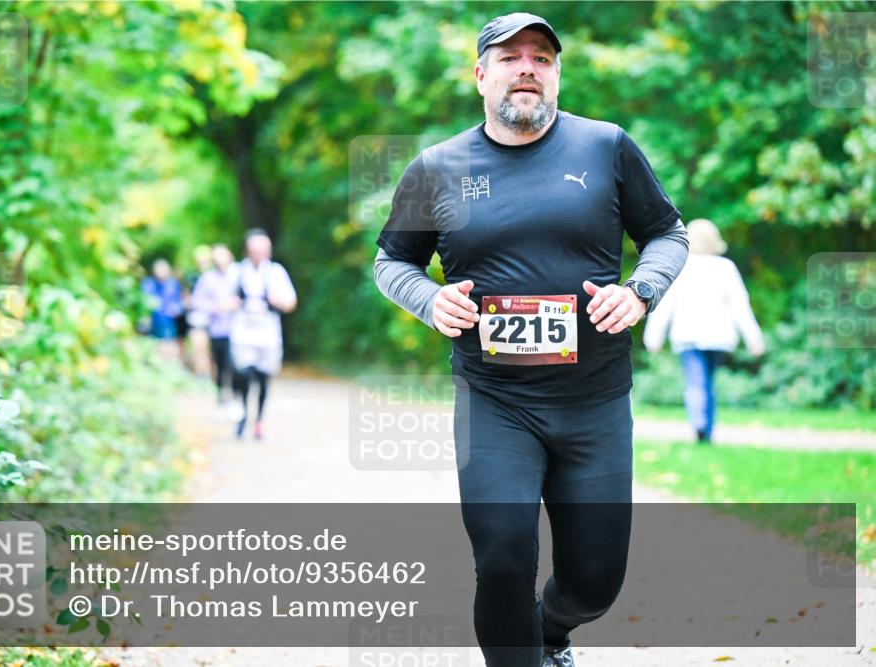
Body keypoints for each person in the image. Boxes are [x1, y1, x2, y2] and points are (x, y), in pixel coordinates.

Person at [373, 13, 688, 667]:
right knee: (503, 555)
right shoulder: (438, 168)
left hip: (594, 400)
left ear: (557, 75)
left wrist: (640, 291)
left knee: (594, 578)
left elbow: (668, 234)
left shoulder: (607, 148)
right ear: (480, 75)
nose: (527, 67)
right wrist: (430, 299)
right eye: (510, 56)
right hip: (495, 399)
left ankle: (550, 632)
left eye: (541, 57)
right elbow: (392, 262)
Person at [643, 218, 765, 444]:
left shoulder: (680, 266)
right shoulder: (725, 268)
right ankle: (707, 429)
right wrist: (753, 338)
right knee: (707, 382)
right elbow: (740, 305)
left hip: (687, 337)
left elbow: (664, 306)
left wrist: (653, 338)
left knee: (695, 381)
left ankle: (699, 424)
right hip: (719, 338)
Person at [228, 229, 297, 440]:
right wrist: (234, 304)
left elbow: (291, 303)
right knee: (242, 374)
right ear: (247, 250)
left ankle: (258, 420)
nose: (260, 254)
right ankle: (241, 414)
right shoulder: (237, 271)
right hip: (243, 333)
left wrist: (277, 301)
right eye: (255, 250)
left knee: (263, 378)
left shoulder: (276, 272)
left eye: (264, 250)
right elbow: (221, 301)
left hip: (268, 333)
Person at [190, 244, 239, 405]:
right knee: (219, 364)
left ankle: (236, 397)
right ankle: (221, 398)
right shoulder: (207, 278)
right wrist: (215, 307)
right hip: (217, 330)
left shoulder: (240, 274)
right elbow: (197, 301)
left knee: (237, 364)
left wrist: (236, 304)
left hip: (239, 330)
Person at [141, 258, 184, 361]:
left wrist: (176, 309)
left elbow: (178, 301)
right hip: (152, 322)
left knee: (169, 346)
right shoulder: (148, 284)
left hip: (169, 322)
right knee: (154, 348)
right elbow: (143, 302)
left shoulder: (173, 284)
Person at [184, 245, 215, 378]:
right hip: (198, 315)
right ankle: (202, 374)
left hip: (216, 316)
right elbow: (186, 297)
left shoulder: (217, 275)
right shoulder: (192, 276)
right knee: (199, 346)